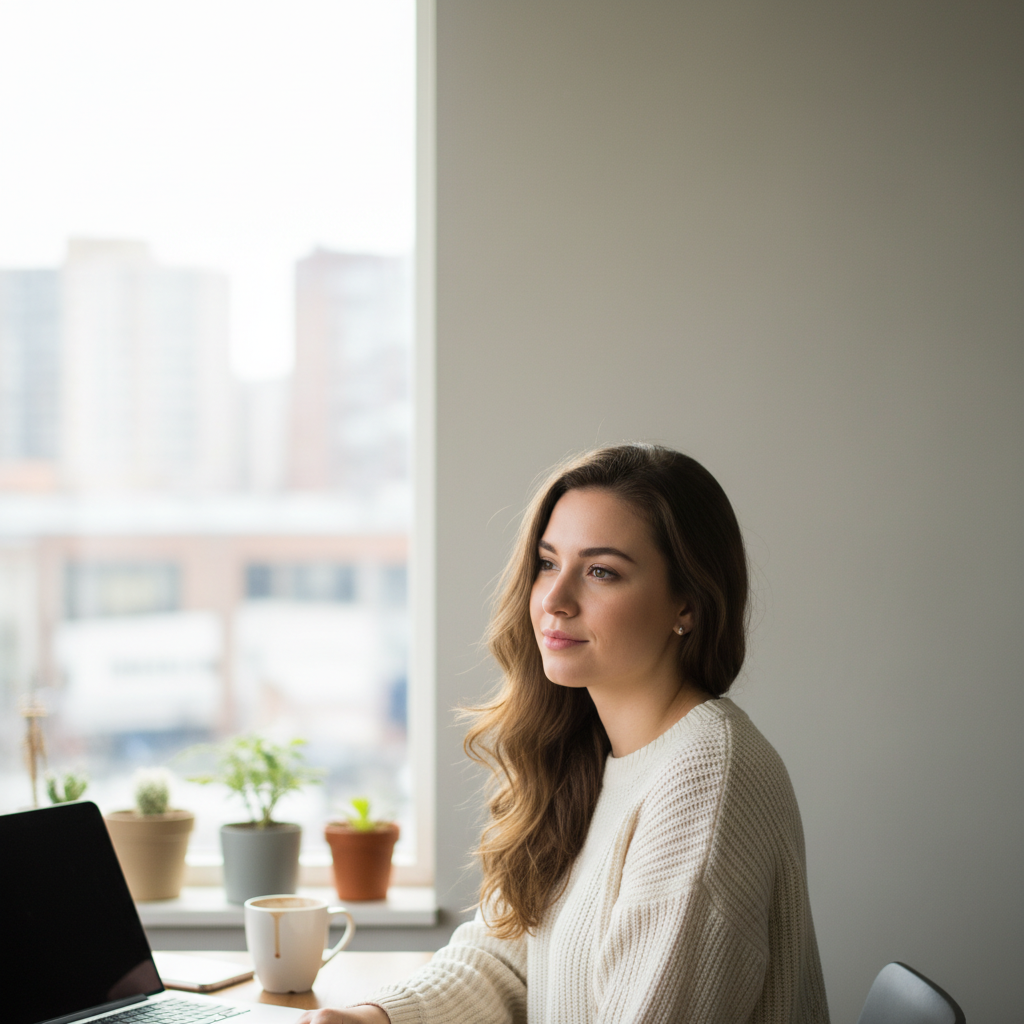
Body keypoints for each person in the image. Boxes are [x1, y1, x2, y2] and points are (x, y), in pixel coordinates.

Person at [300, 443, 829, 1024]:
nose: (554, 598)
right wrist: (375, 1019)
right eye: (549, 562)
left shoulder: (706, 778)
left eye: (601, 571)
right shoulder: (590, 752)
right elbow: (507, 959)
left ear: (689, 603)